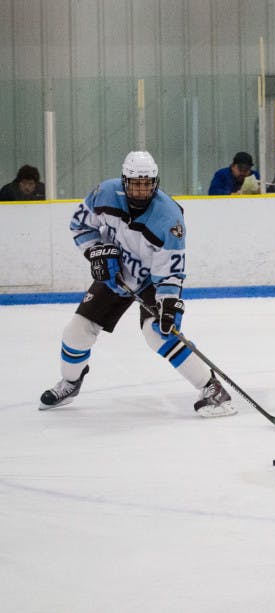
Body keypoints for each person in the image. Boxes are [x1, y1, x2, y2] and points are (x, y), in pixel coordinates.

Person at [38, 151, 237, 418]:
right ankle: (70, 383)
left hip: (153, 279)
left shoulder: (170, 218)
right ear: (124, 181)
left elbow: (170, 271)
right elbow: (80, 225)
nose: (142, 190)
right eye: (135, 184)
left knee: (158, 333)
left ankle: (211, 387)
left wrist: (168, 304)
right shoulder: (104, 194)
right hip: (117, 272)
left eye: (147, 184)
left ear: (155, 182)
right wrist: (96, 252)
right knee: (77, 331)